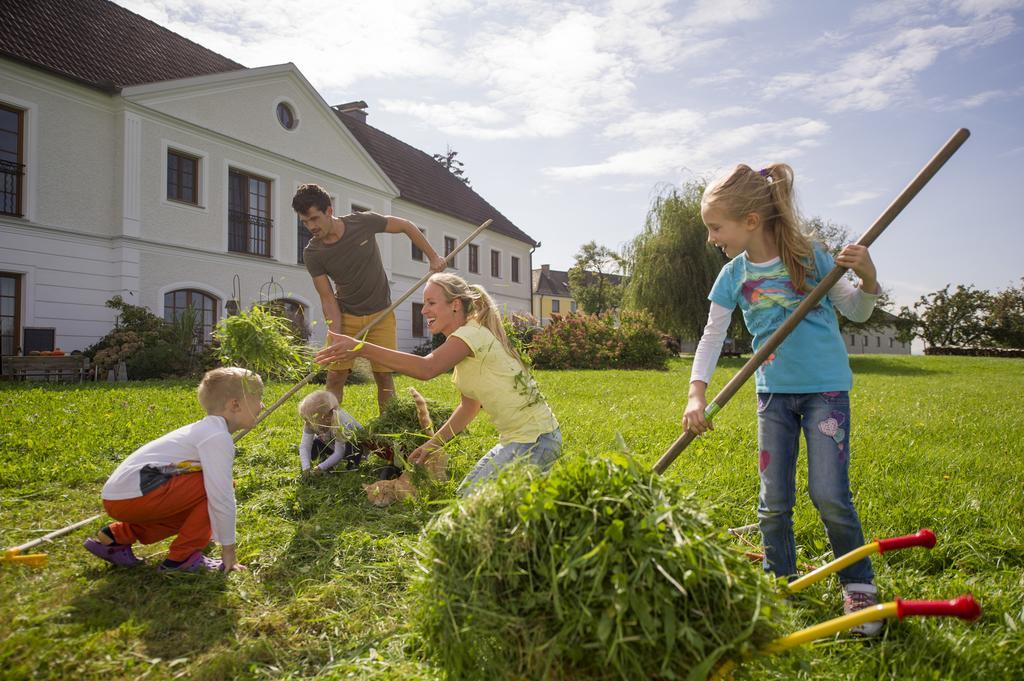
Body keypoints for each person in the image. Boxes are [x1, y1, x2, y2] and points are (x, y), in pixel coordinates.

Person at [682, 163, 883, 635]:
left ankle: (859, 589)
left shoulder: (810, 257)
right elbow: (711, 337)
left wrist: (868, 277)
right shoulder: (733, 275)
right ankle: (780, 584)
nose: (711, 237)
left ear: (751, 220)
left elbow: (856, 309)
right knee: (773, 501)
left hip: (825, 393)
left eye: (716, 227)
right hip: (773, 396)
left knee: (829, 494)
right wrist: (696, 394)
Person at [314, 272, 561, 497]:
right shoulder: (466, 341)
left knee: (474, 505)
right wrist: (433, 444)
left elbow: (426, 369)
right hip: (517, 439)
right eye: (424, 304)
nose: (424, 311)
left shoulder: (470, 335)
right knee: (464, 495)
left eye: (431, 303)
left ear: (454, 306)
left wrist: (361, 348)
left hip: (535, 439)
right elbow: (469, 407)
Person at [84, 367, 263, 573]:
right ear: (235, 405)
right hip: (134, 495)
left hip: (124, 495)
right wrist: (229, 552)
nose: (262, 405)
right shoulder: (216, 437)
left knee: (197, 494)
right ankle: (182, 558)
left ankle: (117, 536)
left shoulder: (207, 430)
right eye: (258, 398)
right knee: (213, 488)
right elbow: (221, 496)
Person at [293, 183, 447, 413]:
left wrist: (433, 257)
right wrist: (335, 333)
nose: (311, 226)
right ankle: (327, 433)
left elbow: (405, 226)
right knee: (335, 377)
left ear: (329, 211)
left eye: (314, 218)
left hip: (381, 313)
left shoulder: (361, 223)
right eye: (305, 222)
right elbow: (327, 298)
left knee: (384, 378)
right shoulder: (313, 253)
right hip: (346, 316)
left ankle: (387, 432)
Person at [297, 389, 363, 474]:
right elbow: (305, 446)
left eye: (308, 420)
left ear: (326, 418)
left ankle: (352, 467)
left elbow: (340, 453)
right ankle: (324, 459)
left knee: (353, 444)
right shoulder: (312, 423)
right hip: (333, 445)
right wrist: (306, 468)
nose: (306, 423)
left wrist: (321, 467)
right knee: (315, 442)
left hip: (350, 447)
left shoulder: (342, 423)